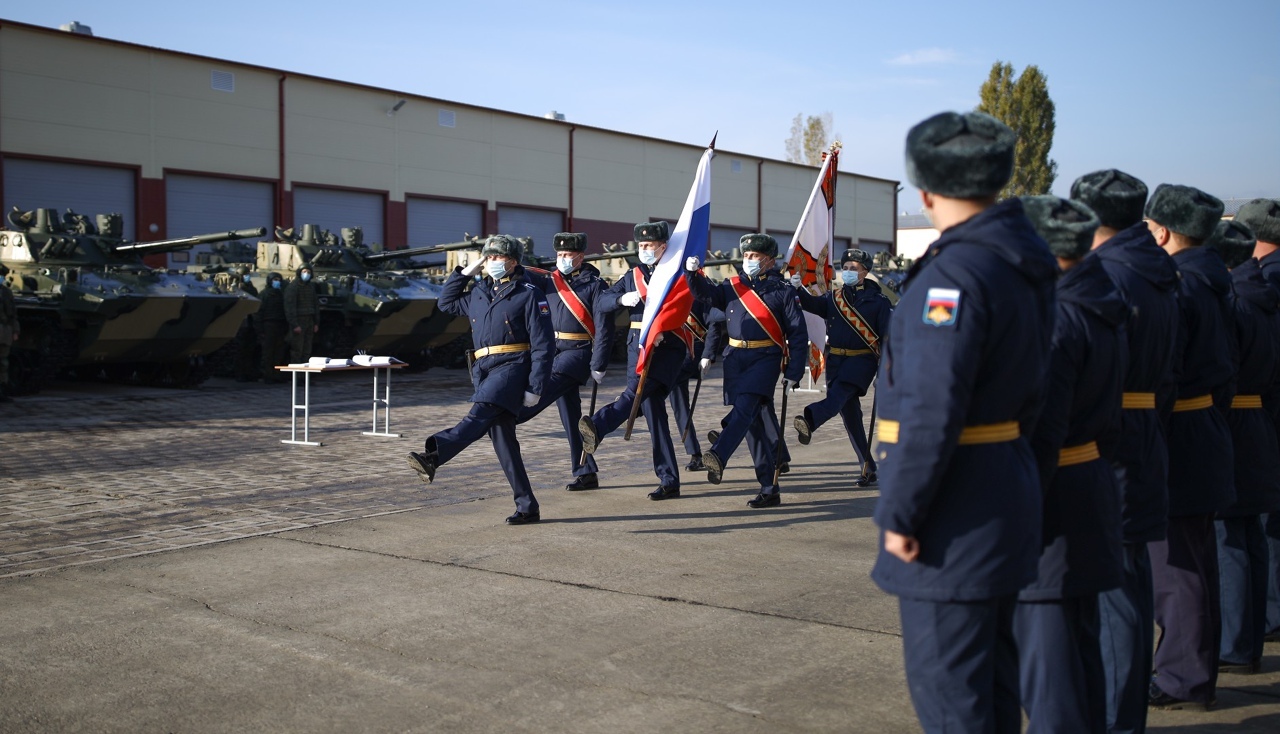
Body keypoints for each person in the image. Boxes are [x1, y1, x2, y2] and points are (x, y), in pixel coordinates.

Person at [869, 111, 1057, 733]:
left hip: (953, 514)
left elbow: (929, 408)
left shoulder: (951, 277)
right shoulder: (1023, 262)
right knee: (996, 690)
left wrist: (900, 514)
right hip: (1004, 489)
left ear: (925, 190)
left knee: (954, 700)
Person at [1070, 168, 1179, 734]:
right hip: (1143, 428)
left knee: (1113, 591)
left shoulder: (1108, 276)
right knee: (1130, 578)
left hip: (1108, 437)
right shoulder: (1159, 270)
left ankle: (1116, 719)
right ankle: (1124, 712)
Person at [1014, 196, 1126, 733]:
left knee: (1048, 656)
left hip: (1052, 499)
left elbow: (1042, 432)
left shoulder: (1056, 318)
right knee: (1081, 648)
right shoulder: (1101, 302)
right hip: (1089, 482)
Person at [1144, 183, 1235, 711]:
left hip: (1178, 432)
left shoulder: (1178, 287)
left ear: (1162, 230)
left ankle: (1182, 676)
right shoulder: (1218, 279)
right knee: (1197, 561)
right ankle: (1195, 669)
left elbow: (1163, 374)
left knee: (1174, 567)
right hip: (1206, 426)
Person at [406, 235, 553, 525]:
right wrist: (463, 274)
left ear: (512, 261)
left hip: (512, 367)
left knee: (478, 414)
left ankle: (433, 456)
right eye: (488, 258)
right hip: (484, 369)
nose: (491, 263)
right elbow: (445, 303)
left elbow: (544, 344)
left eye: (497, 258)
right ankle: (527, 506)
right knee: (504, 442)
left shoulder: (527, 294)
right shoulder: (479, 292)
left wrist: (536, 386)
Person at [683, 233, 807, 508]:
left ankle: (719, 454)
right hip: (735, 357)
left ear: (769, 261)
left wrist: (794, 373)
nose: (748, 260)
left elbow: (798, 334)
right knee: (752, 425)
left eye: (754, 257)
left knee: (745, 408)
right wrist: (692, 274)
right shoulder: (732, 286)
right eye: (746, 255)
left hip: (765, 357)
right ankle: (769, 487)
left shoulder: (782, 291)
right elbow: (706, 295)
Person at [1207, 219, 1280, 677]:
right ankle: (1250, 637)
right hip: (1258, 419)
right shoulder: (1265, 299)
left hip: (1231, 419)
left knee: (1229, 537)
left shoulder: (1235, 304)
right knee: (1250, 534)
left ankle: (1234, 643)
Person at [579, 221, 688, 501]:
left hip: (667, 348)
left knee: (635, 395)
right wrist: (623, 299)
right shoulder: (633, 275)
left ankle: (599, 425)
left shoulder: (676, 273)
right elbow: (602, 303)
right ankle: (669, 479)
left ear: (664, 246)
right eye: (641, 246)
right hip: (637, 349)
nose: (644, 250)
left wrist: (663, 327)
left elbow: (688, 303)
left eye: (649, 245)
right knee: (653, 413)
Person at [789, 248, 892, 486]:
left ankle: (811, 419)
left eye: (853, 269)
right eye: (845, 268)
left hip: (861, 361)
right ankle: (868, 467)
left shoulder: (879, 302)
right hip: (835, 360)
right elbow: (813, 305)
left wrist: (884, 370)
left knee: (837, 396)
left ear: (865, 272)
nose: (847, 272)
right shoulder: (834, 298)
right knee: (851, 416)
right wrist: (797, 290)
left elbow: (889, 339)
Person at [517, 232, 612, 491]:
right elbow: (520, 273)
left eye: (568, 255)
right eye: (559, 255)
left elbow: (604, 329)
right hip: (554, 350)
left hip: (578, 352)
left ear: (580, 256)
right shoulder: (550, 280)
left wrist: (599, 363)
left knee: (543, 388)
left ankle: (512, 415)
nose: (562, 259)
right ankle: (586, 470)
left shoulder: (595, 285)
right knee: (570, 416)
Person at [1237, 198, 1280, 643]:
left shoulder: (1259, 286)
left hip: (1258, 412)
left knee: (1252, 525)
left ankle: (1257, 624)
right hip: (1266, 410)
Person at [667, 299, 716, 471]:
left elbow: (714, 323)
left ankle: (634, 404)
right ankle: (695, 453)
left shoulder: (701, 287)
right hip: (673, 350)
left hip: (693, 350)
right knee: (679, 405)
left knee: (663, 383)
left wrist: (708, 354)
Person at [257, 272, 288, 382]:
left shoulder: (282, 294)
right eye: (275, 279)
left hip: (280, 324)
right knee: (268, 352)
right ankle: (267, 375)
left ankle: (276, 374)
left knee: (279, 351)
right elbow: (258, 312)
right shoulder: (264, 294)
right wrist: (260, 329)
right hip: (268, 325)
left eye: (278, 279)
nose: (277, 282)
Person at [284, 264, 319, 362]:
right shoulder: (293, 287)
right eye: (304, 272)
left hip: (309, 320)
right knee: (297, 349)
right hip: (299, 320)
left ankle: (304, 372)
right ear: (299, 272)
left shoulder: (311, 287)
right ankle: (296, 374)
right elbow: (290, 307)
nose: (306, 274)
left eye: (308, 272)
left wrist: (316, 323)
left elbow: (315, 305)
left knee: (307, 349)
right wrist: (295, 324)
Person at [233, 266, 260, 382]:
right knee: (240, 350)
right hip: (240, 322)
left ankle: (249, 372)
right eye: (245, 274)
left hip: (250, 321)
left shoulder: (251, 288)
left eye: (248, 274)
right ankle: (240, 373)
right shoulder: (236, 288)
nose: (247, 276)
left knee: (250, 349)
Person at [0, 264, 19, 402]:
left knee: (3, 363)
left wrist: (15, 330)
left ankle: (2, 391)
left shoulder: (6, 292)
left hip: (5, 332)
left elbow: (12, 314)